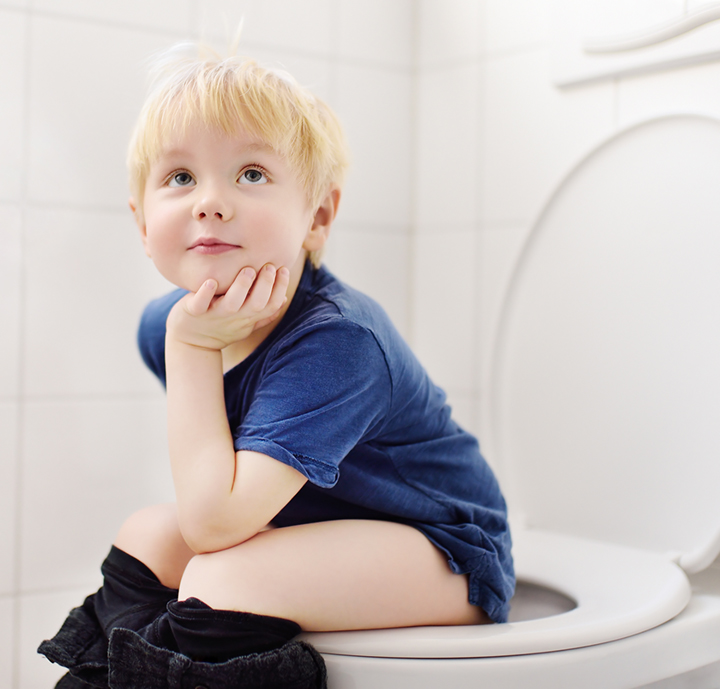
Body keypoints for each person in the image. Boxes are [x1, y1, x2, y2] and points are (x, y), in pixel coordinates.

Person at [39, 44, 514, 689]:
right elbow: (214, 485)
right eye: (180, 177)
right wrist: (187, 343)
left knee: (224, 579)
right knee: (147, 536)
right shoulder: (165, 327)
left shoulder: (337, 343)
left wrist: (193, 349)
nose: (211, 202)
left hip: (441, 548)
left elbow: (214, 522)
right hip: (309, 522)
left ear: (317, 217)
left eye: (252, 173)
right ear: (142, 224)